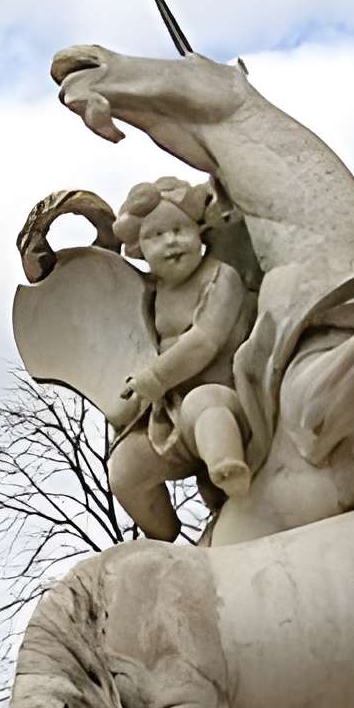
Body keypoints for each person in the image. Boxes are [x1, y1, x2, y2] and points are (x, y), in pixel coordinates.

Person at [101, 178, 255, 540]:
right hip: (167, 417)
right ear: (139, 247)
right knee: (124, 469)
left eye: (179, 230)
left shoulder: (222, 276)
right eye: (156, 236)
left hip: (229, 395)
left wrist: (155, 377)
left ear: (199, 232)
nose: (171, 241)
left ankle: (228, 473)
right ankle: (161, 535)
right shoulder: (149, 295)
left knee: (207, 406)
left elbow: (204, 340)